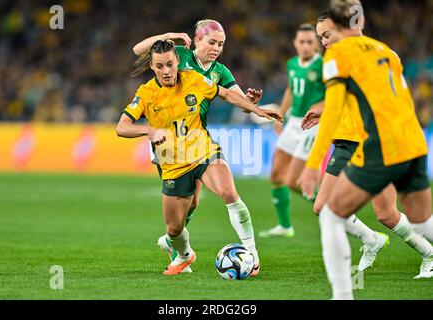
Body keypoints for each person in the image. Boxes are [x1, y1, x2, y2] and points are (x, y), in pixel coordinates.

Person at [299, 0, 433, 299]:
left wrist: (311, 163)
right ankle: (427, 254)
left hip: (372, 144)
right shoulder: (386, 52)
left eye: (325, 34)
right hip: (410, 140)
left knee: (330, 215)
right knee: (401, 216)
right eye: (320, 37)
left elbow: (337, 108)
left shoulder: (338, 57)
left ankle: (343, 294)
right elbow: (387, 98)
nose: (324, 42)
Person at [117, 39, 281, 275]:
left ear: (177, 62)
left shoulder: (193, 79)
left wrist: (258, 110)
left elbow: (226, 94)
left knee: (229, 193)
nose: (166, 71)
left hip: (203, 151)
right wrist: (149, 131)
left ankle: (252, 254)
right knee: (174, 230)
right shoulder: (146, 94)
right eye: (160, 66)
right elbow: (121, 127)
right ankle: (184, 255)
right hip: (172, 163)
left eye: (170, 64)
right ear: (152, 67)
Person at [259, 24, 325, 238]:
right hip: (294, 121)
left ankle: (329, 208)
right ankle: (285, 226)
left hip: (312, 124)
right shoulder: (292, 64)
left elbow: (333, 96)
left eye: (310, 42)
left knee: (294, 181)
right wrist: (281, 114)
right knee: (277, 174)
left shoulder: (324, 66)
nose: (305, 46)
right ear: (295, 44)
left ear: (316, 44)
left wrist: (320, 112)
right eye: (302, 42)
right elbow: (290, 90)